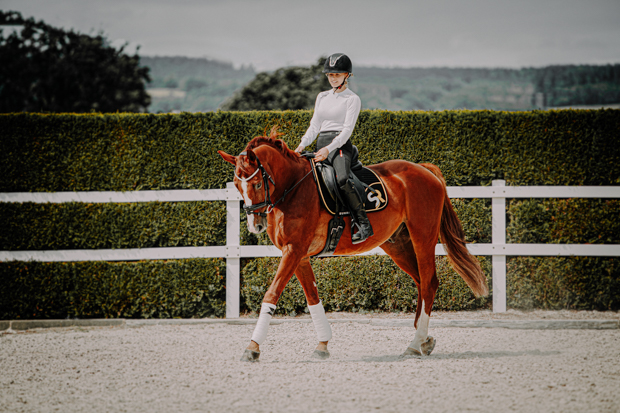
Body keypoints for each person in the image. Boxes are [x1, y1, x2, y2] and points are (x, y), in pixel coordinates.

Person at [295, 53, 373, 244]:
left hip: (339, 147)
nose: (333, 78)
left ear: (347, 75)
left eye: (337, 74)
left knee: (343, 179)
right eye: (330, 75)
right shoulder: (322, 97)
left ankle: (363, 224)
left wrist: (329, 149)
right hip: (320, 144)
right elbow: (314, 126)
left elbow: (346, 131)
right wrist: (301, 145)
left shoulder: (352, 99)